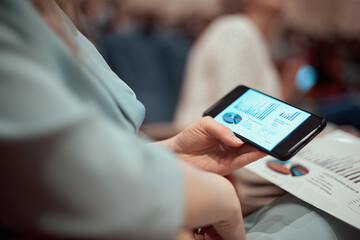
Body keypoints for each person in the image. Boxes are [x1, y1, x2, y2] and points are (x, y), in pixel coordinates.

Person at [0, 0, 266, 239]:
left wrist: (173, 151)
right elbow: (75, 173)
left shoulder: (52, 12)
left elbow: (88, 152)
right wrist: (221, 197)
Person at [175, 0, 287, 215]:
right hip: (221, 159)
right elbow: (235, 113)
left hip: (232, 155)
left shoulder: (247, 32)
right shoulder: (236, 29)